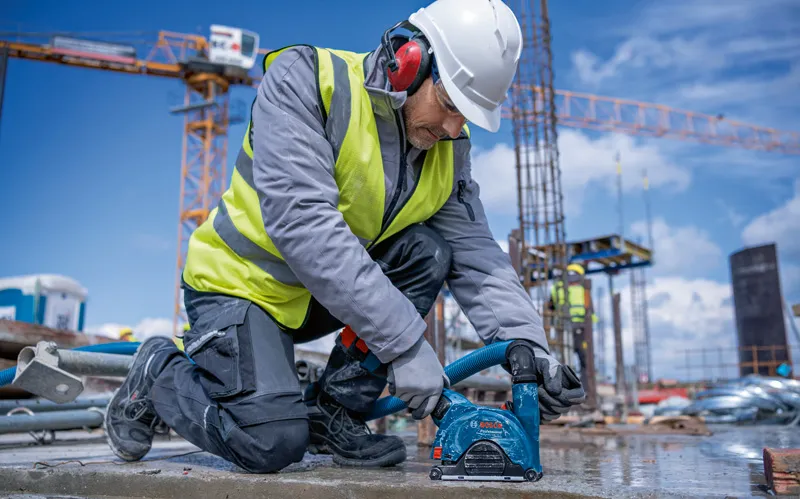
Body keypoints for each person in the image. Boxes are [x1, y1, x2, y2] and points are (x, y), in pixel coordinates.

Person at [103, 0, 585, 474]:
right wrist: (406, 348)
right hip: (238, 288)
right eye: (450, 105)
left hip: (319, 298)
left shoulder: (447, 145)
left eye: (468, 117)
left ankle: (334, 411)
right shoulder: (307, 81)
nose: (455, 128)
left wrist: (531, 351)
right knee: (270, 442)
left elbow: (477, 255)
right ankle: (157, 373)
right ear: (408, 62)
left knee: (428, 252)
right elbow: (305, 225)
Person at [547, 263, 597, 384]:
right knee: (585, 360)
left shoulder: (557, 287)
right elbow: (590, 309)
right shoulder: (583, 287)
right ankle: (585, 387)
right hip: (581, 327)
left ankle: (565, 385)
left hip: (563, 327)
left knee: (564, 358)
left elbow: (551, 308)